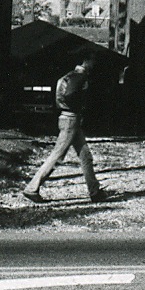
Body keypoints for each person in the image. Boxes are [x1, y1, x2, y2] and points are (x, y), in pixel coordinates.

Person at [22, 54, 106, 203]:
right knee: (57, 155)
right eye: (92, 61)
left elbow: (61, 96)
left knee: (85, 155)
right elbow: (71, 94)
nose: (93, 64)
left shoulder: (67, 76)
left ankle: (95, 191)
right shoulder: (80, 77)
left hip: (67, 118)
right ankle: (32, 188)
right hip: (71, 119)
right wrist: (77, 107)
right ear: (85, 62)